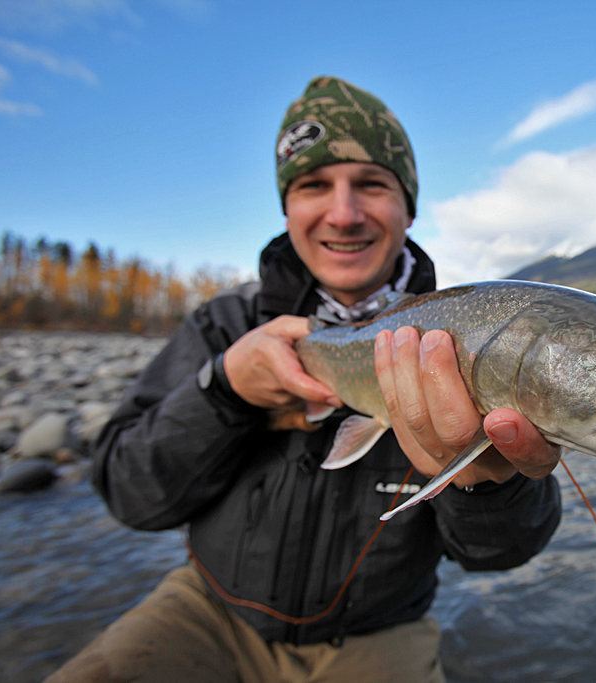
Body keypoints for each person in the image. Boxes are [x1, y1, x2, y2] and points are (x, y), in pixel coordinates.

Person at [47, 76, 562, 683]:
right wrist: (223, 391)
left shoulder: (463, 340)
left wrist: (489, 485)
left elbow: (499, 554)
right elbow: (128, 493)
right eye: (315, 186)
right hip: (207, 611)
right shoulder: (225, 324)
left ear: (408, 206)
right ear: (288, 207)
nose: (343, 215)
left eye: (371, 184)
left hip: (378, 635)